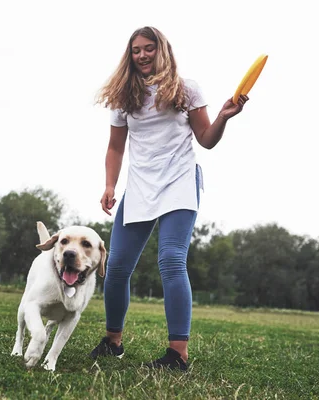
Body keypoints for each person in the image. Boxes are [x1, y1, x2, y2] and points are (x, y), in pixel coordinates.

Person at [89, 26, 249, 370]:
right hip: (141, 185)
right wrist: (109, 185)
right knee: (116, 267)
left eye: (149, 48)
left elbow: (205, 140)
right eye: (136, 50)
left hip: (178, 182)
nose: (142, 55)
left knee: (171, 260)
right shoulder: (123, 96)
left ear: (163, 50)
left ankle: (178, 354)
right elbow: (116, 146)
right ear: (129, 56)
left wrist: (222, 116)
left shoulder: (186, 89)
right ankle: (113, 342)